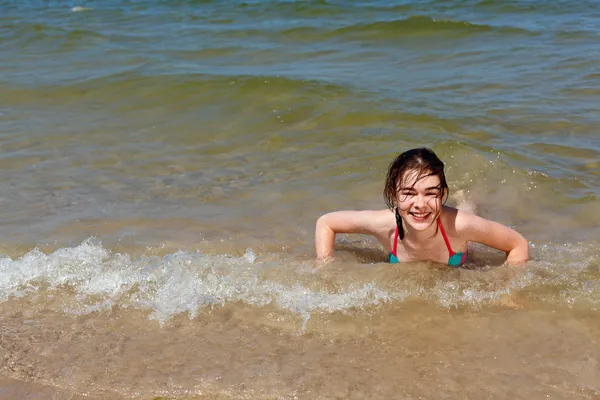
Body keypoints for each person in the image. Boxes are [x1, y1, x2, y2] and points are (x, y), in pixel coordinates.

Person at [314, 147, 529, 267]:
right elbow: (326, 223)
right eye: (409, 193)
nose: (420, 204)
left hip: (454, 237)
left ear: (443, 194)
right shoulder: (383, 224)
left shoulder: (461, 226)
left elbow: (518, 244)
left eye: (430, 193)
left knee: (467, 211)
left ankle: (468, 200)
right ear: (393, 195)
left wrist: (508, 291)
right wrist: (325, 268)